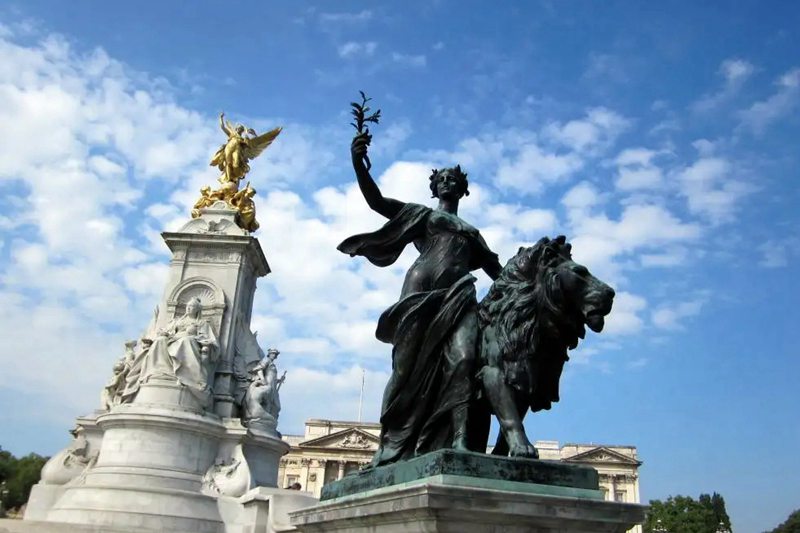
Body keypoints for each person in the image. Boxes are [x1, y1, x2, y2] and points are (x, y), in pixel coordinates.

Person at [338, 132, 503, 466]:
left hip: (459, 296)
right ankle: (390, 443)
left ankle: (459, 440)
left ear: (462, 189)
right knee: (405, 369)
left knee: (465, 359)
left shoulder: (474, 234)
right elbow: (377, 202)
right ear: (434, 188)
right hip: (419, 295)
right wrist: (359, 163)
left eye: (452, 179)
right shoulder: (423, 216)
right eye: (441, 179)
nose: (446, 182)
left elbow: (499, 274)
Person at [137, 297, 219, 407]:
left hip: (190, 341)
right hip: (173, 339)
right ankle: (159, 372)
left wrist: (200, 340)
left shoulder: (201, 323)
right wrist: (164, 334)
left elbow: (208, 338)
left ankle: (187, 376)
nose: (189, 308)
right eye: (188, 306)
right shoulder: (179, 320)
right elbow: (168, 330)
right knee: (160, 341)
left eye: (192, 307)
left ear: (197, 309)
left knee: (186, 341)